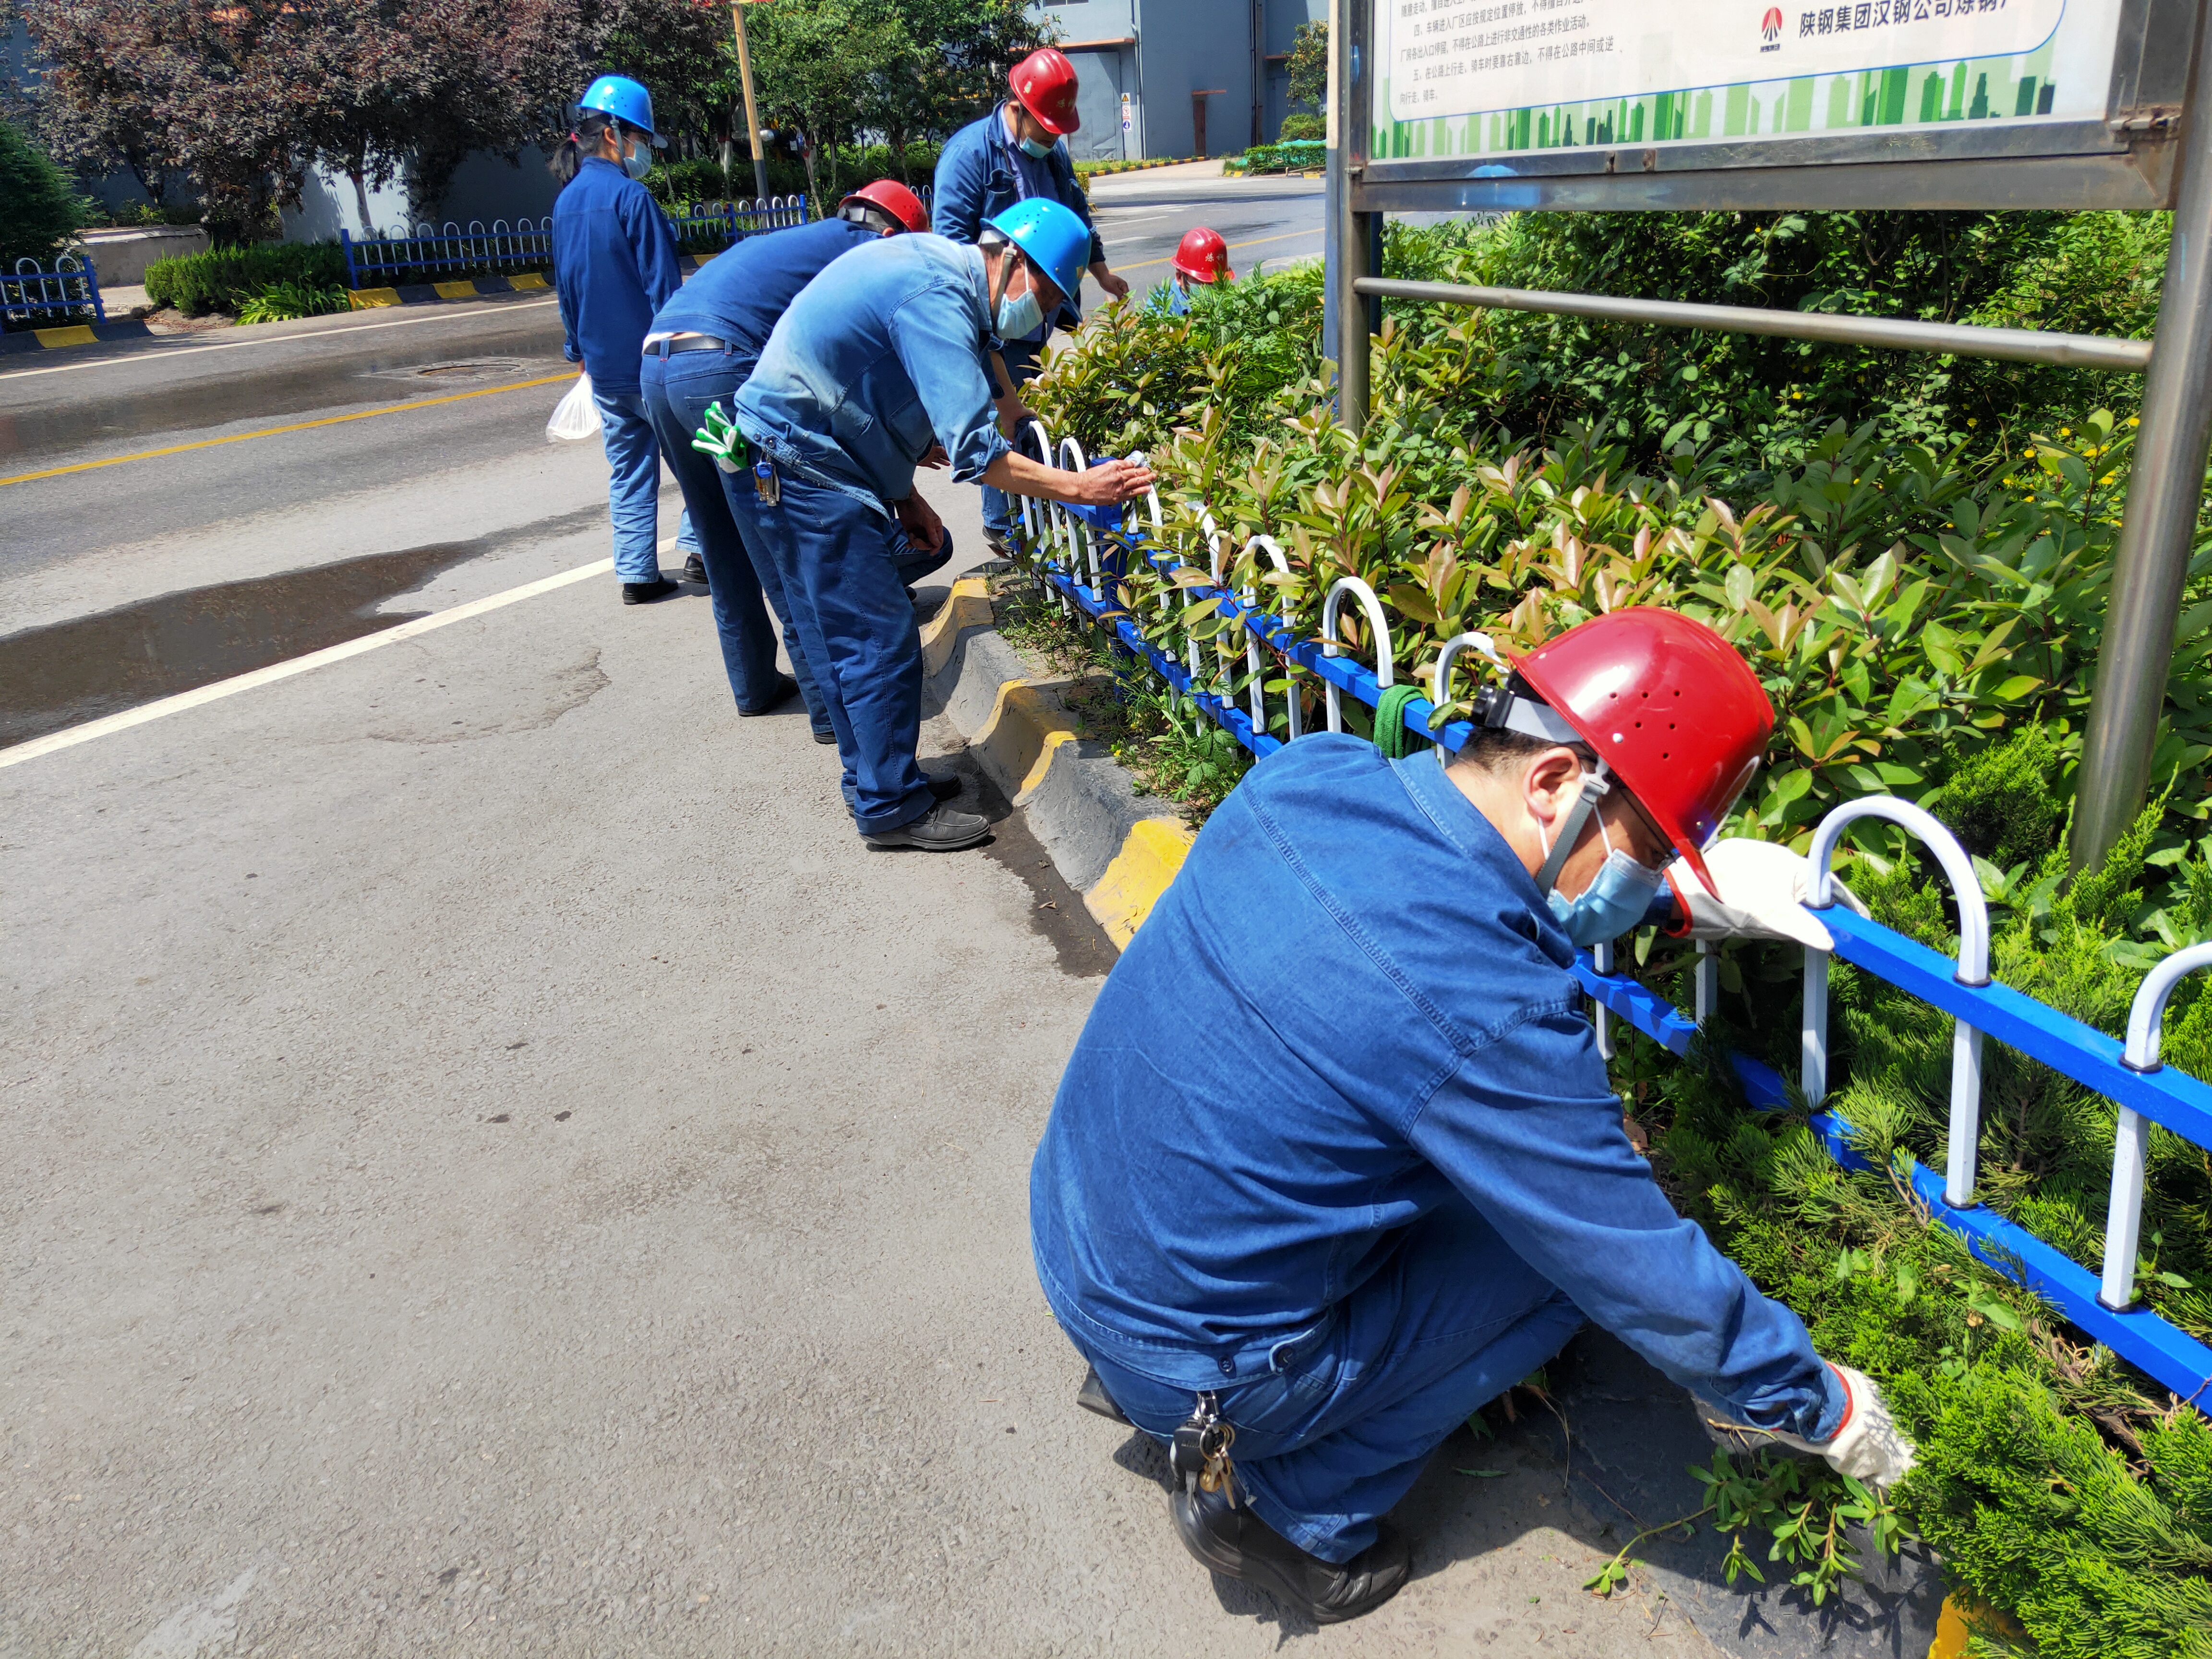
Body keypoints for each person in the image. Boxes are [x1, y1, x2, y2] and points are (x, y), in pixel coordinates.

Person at [1028, 608, 1915, 1625]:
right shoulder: (1480, 1012)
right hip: (1202, 1369)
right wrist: (1820, 1404)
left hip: (1075, 1237)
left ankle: (1153, 1374)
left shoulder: (1316, 777)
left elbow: (1445, 896)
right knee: (1557, 1264)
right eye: (1647, 849)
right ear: (1554, 784)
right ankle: (1292, 1512)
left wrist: (1668, 902)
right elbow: (1632, 1262)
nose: (1645, 879)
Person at [731, 199, 1156, 853]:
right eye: (1044, 301)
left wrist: (905, 495)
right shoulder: (937, 298)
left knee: (851, 637)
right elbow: (977, 453)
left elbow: (980, 405)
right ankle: (890, 807)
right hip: (806, 466)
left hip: (807, 456)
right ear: (1013, 260)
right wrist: (1080, 487)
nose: (1038, 320)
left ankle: (878, 780)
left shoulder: (950, 279)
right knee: (875, 638)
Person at [639, 181, 931, 739]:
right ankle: (831, 712)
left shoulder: (802, 241)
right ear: (893, 235)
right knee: (784, 547)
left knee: (719, 535)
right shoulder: (863, 257)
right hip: (719, 371)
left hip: (658, 368)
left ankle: (754, 685)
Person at [931, 47, 1131, 557]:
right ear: (1017, 106)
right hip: (991, 311)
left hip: (1035, 313)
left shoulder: (1054, 153)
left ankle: (1027, 516)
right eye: (1046, 129)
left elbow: (1076, 214)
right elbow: (949, 244)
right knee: (1000, 412)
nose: (1052, 140)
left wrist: (1102, 273)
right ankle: (1004, 526)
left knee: (1025, 415)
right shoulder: (970, 154)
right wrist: (978, 315)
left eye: (1058, 131)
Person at [551, 74, 700, 606]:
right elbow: (666, 293)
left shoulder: (566, 204)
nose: (642, 150)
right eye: (639, 137)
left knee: (629, 471)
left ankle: (637, 572)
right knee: (698, 459)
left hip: (604, 370)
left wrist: (579, 357)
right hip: (651, 364)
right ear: (614, 134)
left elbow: (566, 291)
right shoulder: (632, 199)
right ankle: (700, 551)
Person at [1148, 226, 1233, 317]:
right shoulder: (1159, 308)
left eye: (1216, 282)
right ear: (1179, 277)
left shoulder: (1228, 300)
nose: (1210, 290)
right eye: (1202, 283)